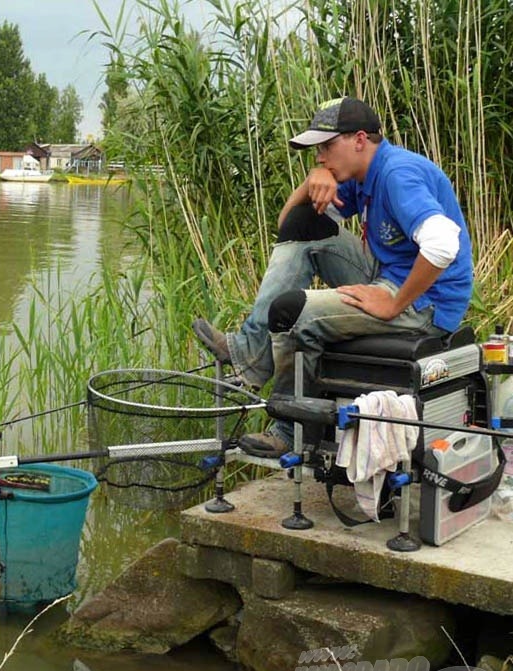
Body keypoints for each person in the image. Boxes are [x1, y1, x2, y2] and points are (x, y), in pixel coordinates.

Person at [192, 96, 473, 457]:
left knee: (292, 312)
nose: (320, 156)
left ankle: (289, 430)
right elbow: (290, 227)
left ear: (358, 140)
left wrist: (393, 304)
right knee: (305, 224)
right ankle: (246, 352)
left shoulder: (397, 175)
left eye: (326, 147)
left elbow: (442, 244)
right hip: (387, 273)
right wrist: (313, 180)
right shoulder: (363, 174)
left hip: (425, 302)